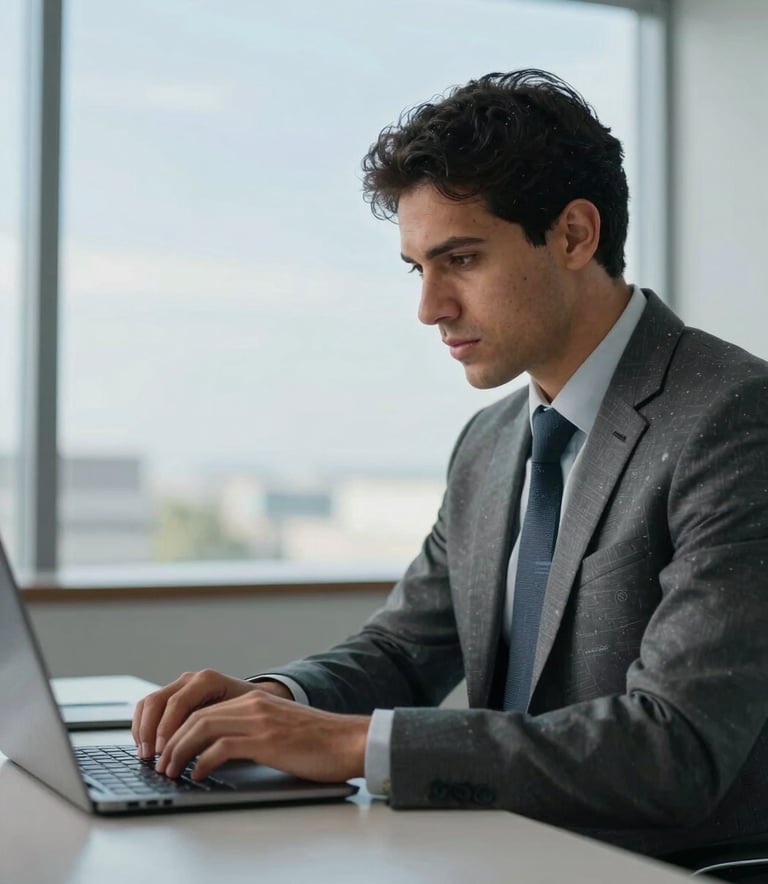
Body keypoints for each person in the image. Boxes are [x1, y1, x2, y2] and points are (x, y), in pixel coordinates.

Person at [132, 70, 768, 858]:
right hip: (492, 854)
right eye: (418, 268)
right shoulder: (491, 442)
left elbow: (677, 748)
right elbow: (404, 650)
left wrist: (352, 745)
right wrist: (273, 701)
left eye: (460, 259)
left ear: (574, 234)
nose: (430, 307)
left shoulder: (735, 419)